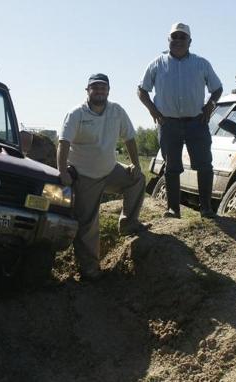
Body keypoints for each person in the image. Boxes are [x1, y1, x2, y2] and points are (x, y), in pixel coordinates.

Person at [58, 73, 149, 280]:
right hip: (85, 176)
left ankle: (129, 224)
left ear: (108, 90)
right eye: (95, 87)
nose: (99, 91)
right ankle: (89, 269)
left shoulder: (116, 111)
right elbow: (63, 143)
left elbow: (130, 138)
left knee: (137, 179)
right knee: (88, 224)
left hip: (109, 171)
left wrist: (135, 163)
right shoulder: (76, 114)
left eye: (103, 88)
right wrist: (63, 171)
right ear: (87, 90)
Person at [138, 22, 223, 218]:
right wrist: (153, 110)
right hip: (168, 123)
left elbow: (217, 89)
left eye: (182, 37)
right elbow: (142, 90)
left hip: (197, 122)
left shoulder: (201, 64)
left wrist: (210, 106)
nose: (178, 40)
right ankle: (173, 209)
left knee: (204, 164)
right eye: (174, 37)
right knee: (172, 166)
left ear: (190, 41)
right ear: (168, 40)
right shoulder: (157, 64)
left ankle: (206, 208)